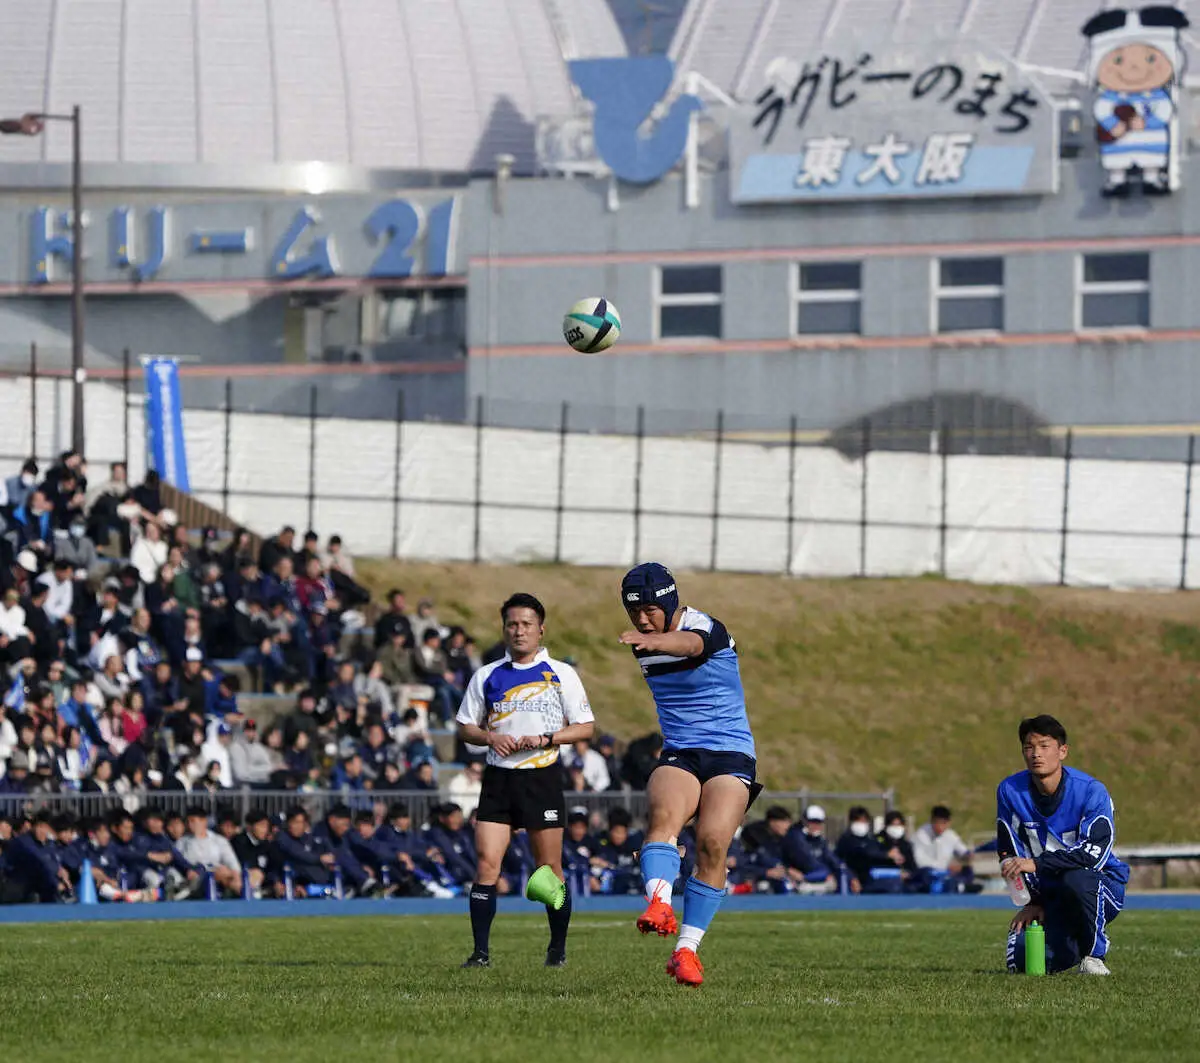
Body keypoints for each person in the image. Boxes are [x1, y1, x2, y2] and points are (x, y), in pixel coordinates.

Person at [619, 562, 758, 987]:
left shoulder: (705, 627)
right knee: (663, 821)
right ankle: (659, 903)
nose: (642, 619)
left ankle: (686, 951)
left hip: (731, 754)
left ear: (669, 602)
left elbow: (690, 646)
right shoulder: (644, 640)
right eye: (634, 612)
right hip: (681, 751)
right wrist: (650, 637)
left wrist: (655, 638)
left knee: (713, 844)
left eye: (650, 609)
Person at [455, 592, 595, 969]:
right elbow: (466, 726)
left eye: (526, 624)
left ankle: (557, 949)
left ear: (540, 629)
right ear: (504, 630)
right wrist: (490, 737)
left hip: (542, 778)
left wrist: (547, 739)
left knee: (549, 873)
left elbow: (585, 727)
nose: (519, 631)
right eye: (512, 624)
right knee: (486, 865)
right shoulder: (486, 675)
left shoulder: (561, 674)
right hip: (499, 780)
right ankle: (480, 954)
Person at [999, 715, 1130, 976]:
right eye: (1029, 747)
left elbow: (1093, 856)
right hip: (1052, 893)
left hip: (1101, 885)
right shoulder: (1009, 790)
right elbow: (1009, 850)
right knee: (1022, 960)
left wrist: (1036, 864)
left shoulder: (1092, 791)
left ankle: (1094, 955)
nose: (1036, 753)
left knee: (1077, 879)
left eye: (1044, 746)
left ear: (1062, 751)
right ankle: (1074, 942)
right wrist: (1033, 901)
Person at [912, 805, 981, 894]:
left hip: (945, 873)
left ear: (949, 823)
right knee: (926, 875)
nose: (940, 826)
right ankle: (957, 887)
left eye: (944, 823)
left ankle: (955, 886)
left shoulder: (951, 835)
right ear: (932, 821)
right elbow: (919, 861)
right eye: (938, 823)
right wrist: (945, 869)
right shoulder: (920, 835)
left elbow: (963, 851)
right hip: (928, 872)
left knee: (967, 870)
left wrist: (967, 857)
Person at [178, 807, 242, 896]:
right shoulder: (182, 842)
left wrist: (233, 874)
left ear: (204, 821)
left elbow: (233, 864)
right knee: (220, 872)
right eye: (188, 822)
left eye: (193, 821)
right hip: (194, 878)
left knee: (233, 875)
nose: (189, 825)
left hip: (219, 877)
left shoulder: (219, 840)